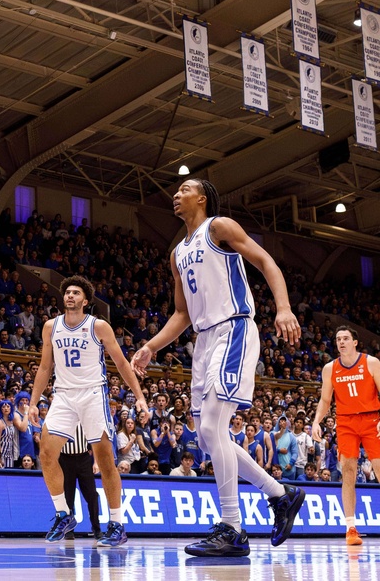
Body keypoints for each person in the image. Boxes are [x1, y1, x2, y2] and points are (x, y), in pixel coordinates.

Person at [131, 178, 305, 557]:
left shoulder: (219, 227)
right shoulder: (177, 252)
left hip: (234, 327)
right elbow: (181, 313)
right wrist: (150, 346)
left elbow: (266, 261)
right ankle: (281, 494)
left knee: (212, 427)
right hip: (204, 340)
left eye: (184, 189)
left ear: (203, 198)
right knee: (210, 438)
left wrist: (284, 307)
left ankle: (232, 528)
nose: (176, 194)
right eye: (175, 191)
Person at [31, 275, 147, 547]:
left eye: (75, 293)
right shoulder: (51, 326)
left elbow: (120, 362)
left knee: (105, 460)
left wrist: (139, 397)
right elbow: (45, 367)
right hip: (63, 395)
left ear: (85, 300)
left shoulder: (99, 326)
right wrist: (34, 402)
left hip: (93, 393)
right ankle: (63, 513)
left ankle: (117, 523)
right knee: (47, 453)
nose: (70, 296)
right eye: (67, 292)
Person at [311, 325, 380, 546]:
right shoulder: (330, 368)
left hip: (372, 420)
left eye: (345, 338)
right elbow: (325, 400)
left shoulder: (371, 363)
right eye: (338, 339)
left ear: (355, 342)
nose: (341, 342)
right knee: (348, 471)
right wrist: (316, 422)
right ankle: (350, 527)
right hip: (346, 422)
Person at [59, 423, 101, 540]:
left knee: (92, 495)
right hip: (65, 458)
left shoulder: (84, 417)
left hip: (83, 458)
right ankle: (68, 529)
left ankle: (96, 528)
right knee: (68, 496)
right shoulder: (62, 417)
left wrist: (96, 462)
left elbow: (94, 441)